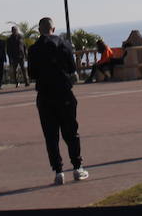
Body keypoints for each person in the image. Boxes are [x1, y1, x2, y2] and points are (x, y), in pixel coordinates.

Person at [26, 16, 87, 184]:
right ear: (53, 28)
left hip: (45, 95)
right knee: (71, 132)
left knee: (51, 135)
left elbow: (32, 74)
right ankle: (77, 167)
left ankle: (58, 171)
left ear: (39, 30)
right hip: (64, 92)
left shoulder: (34, 49)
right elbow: (72, 68)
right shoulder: (64, 44)